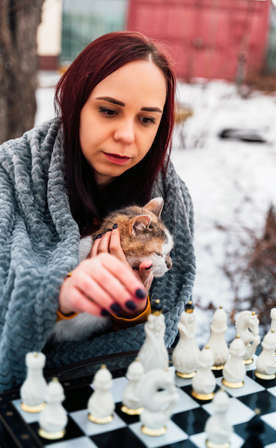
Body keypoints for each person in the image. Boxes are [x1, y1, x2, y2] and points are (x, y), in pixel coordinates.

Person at [0, 31, 196, 391]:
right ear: (75, 103)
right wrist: (55, 298)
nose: (126, 135)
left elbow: (169, 320)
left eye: (146, 119)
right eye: (108, 111)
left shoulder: (170, 196)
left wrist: (130, 309)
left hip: (124, 394)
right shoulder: (12, 175)